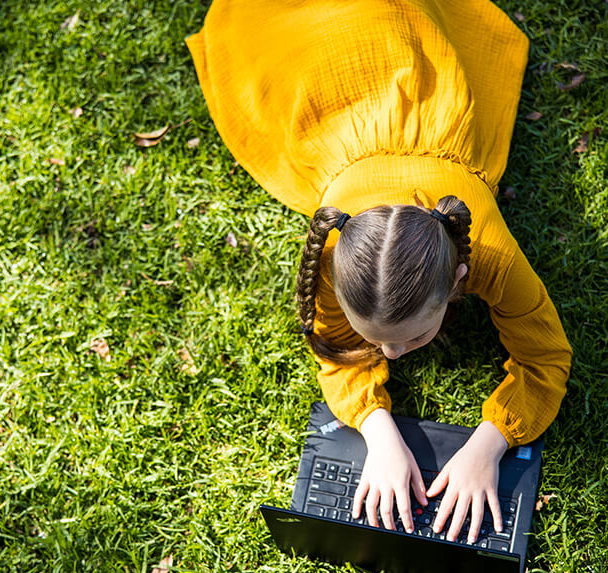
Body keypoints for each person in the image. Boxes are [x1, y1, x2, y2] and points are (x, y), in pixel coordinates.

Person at [186, 0, 572, 544]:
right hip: (334, 78)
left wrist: (489, 445)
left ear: (460, 277)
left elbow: (545, 354)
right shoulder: (333, 249)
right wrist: (377, 430)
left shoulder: (489, 251)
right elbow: (333, 346)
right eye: (378, 339)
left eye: (413, 334)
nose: (392, 356)